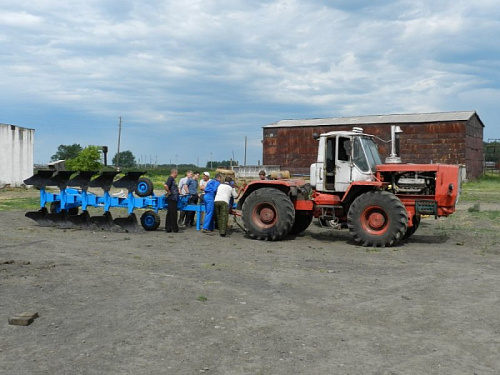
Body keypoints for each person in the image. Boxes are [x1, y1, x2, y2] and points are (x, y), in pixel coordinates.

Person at [164, 169, 179, 233]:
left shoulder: (172, 179)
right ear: (174, 173)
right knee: (173, 214)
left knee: (170, 213)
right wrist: (169, 192)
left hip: (173, 198)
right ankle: (174, 228)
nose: (177, 175)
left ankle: (168, 228)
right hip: (172, 198)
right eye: (177, 173)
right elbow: (165, 185)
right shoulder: (170, 179)